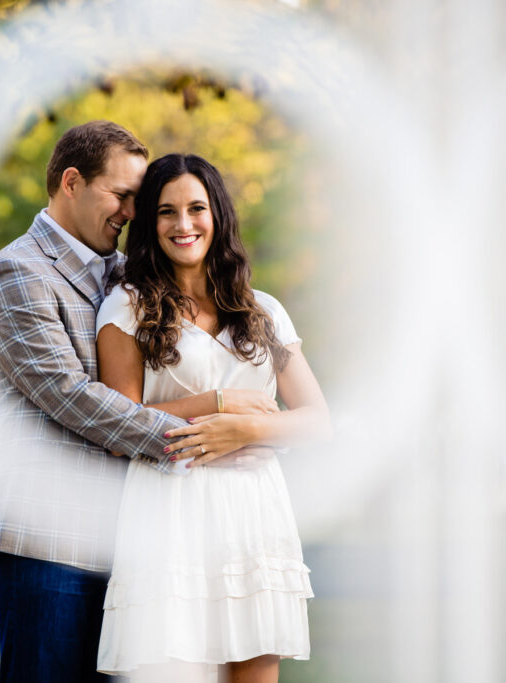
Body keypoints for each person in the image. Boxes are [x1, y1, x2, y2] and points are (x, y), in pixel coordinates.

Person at [0, 122, 278, 682]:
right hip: (50, 541)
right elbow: (74, 398)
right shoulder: (16, 273)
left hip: (139, 539)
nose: (132, 213)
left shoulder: (126, 277)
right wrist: (213, 424)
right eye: (122, 196)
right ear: (71, 182)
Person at [94, 153, 332, 682]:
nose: (183, 225)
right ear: (149, 224)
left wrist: (249, 430)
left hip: (253, 518)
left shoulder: (262, 310)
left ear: (217, 215)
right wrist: (218, 404)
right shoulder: (126, 307)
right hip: (169, 516)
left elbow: (316, 419)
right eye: (166, 212)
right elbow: (117, 427)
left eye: (196, 208)